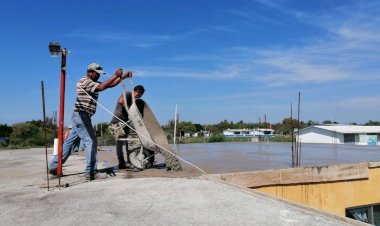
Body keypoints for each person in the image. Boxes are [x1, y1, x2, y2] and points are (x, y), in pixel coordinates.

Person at [48, 63, 132, 180]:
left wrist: (122, 77)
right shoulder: (85, 81)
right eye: (97, 74)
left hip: (81, 116)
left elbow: (109, 85)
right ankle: (91, 171)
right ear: (90, 72)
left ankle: (53, 166)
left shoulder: (92, 82)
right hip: (81, 116)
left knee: (70, 143)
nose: (98, 76)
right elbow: (102, 87)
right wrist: (115, 75)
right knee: (91, 142)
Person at [109, 85, 145, 169]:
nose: (139, 96)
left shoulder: (134, 100)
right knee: (120, 142)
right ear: (136, 91)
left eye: (141, 95)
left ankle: (130, 161)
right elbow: (121, 101)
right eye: (139, 93)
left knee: (127, 142)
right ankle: (121, 162)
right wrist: (130, 110)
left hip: (126, 122)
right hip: (118, 121)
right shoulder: (128, 93)